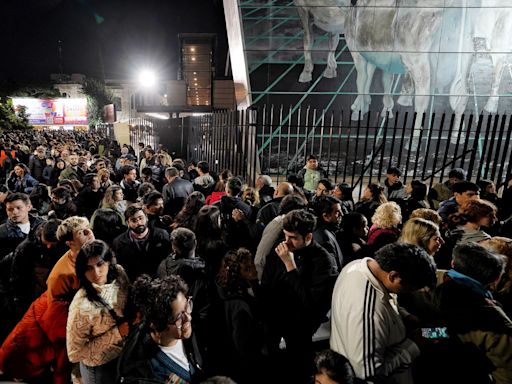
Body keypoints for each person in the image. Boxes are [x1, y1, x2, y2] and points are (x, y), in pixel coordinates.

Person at [330, 243, 437, 384]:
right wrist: (414, 345)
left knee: (439, 332)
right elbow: (368, 374)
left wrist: (405, 316)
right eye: (410, 288)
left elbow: (387, 297)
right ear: (393, 276)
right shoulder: (368, 311)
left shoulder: (360, 267)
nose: (410, 292)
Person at [261, 209, 339, 383]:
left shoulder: (324, 261)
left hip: (300, 324)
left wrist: (290, 265)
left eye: (293, 238)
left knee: (298, 366)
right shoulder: (280, 247)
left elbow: (311, 303)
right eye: (285, 236)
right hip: (274, 317)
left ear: (309, 237)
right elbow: (267, 282)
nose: (286, 243)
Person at [434, 243, 512, 384]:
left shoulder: (427, 283)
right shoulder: (494, 319)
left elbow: (441, 331)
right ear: (495, 278)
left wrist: (426, 334)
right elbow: (507, 372)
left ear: (453, 263)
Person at [117, 274, 204, 384]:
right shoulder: (144, 374)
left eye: (187, 306)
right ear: (158, 326)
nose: (189, 317)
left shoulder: (186, 329)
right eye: (179, 317)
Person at [66, 240, 130, 384]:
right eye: (89, 268)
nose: (96, 273)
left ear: (108, 262)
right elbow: (74, 354)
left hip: (124, 354)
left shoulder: (119, 273)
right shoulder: (80, 306)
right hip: (100, 367)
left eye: (100, 264)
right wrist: (117, 333)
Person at [207, 248, 265, 384]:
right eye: (247, 268)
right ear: (236, 273)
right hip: (244, 368)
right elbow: (244, 347)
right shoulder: (240, 307)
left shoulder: (221, 288)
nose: (254, 270)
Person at [112, 203, 171, 281]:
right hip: (133, 284)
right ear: (128, 223)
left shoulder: (162, 235)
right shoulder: (118, 242)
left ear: (146, 217)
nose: (139, 223)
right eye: (134, 220)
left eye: (141, 218)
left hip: (158, 282)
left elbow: (169, 260)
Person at [0, 192, 44, 259]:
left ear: (29, 207)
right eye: (10, 209)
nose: (14, 212)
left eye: (18, 208)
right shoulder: (2, 232)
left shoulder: (42, 225)